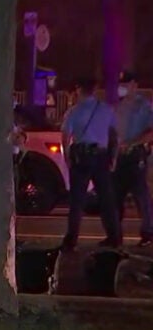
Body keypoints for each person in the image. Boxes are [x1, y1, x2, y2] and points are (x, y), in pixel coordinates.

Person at [60, 78, 121, 251]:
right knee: (107, 198)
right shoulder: (106, 110)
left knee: (77, 200)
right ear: (94, 90)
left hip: (81, 156)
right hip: (101, 156)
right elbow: (114, 136)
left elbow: (65, 137)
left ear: (79, 90)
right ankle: (114, 237)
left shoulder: (74, 111)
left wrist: (68, 159)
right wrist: (113, 158)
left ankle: (71, 239)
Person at [113, 70, 153, 247]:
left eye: (126, 84)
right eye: (121, 84)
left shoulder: (144, 106)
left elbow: (151, 131)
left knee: (141, 196)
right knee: (116, 197)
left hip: (136, 156)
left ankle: (148, 234)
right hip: (119, 157)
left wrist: (132, 143)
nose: (123, 88)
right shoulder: (118, 106)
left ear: (135, 85)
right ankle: (115, 235)